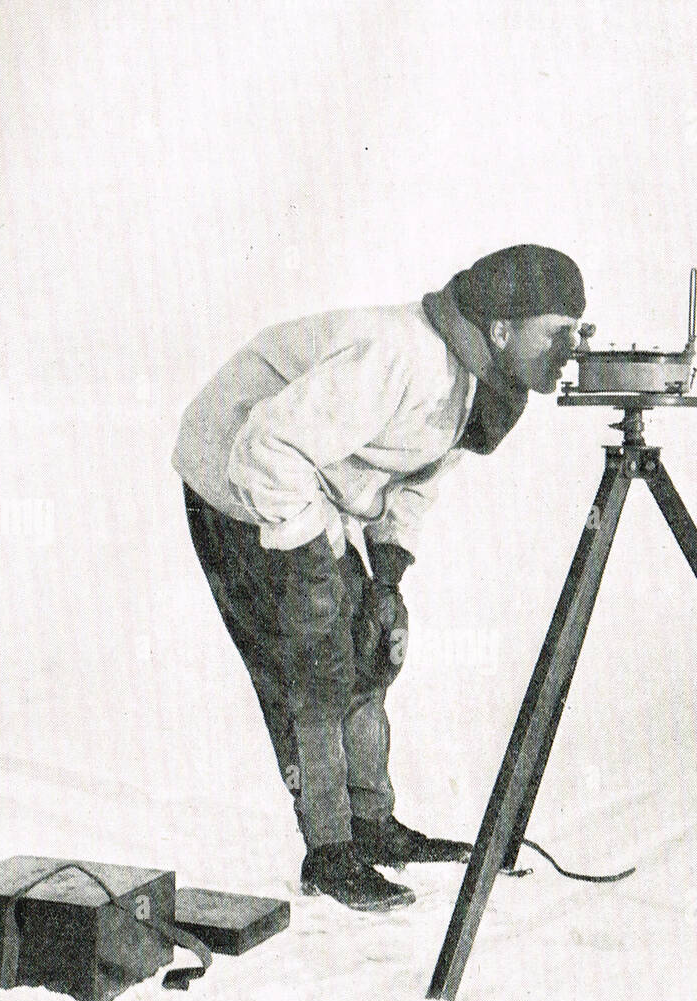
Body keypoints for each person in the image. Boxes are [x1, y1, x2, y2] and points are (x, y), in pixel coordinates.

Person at [173, 244, 586, 910]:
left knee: (370, 646)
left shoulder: (479, 379)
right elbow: (267, 446)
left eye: (577, 329)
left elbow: (415, 478)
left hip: (307, 485)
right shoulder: (401, 357)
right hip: (237, 476)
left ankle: (372, 825)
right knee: (316, 665)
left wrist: (386, 578)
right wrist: (310, 564)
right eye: (556, 332)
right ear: (502, 330)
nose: (571, 346)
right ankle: (330, 853)